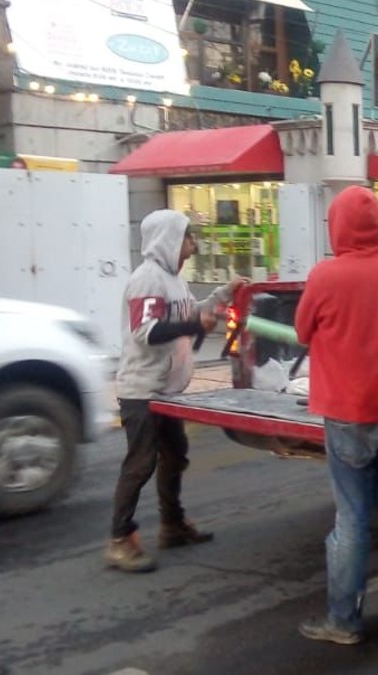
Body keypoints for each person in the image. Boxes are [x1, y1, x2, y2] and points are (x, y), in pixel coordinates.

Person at [294, 187, 378, 645]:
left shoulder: (325, 277)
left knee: (351, 518)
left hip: (348, 415)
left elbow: (301, 330)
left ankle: (344, 622)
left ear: (337, 226)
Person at [107, 211, 246, 573]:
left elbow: (190, 312)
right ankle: (120, 539)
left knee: (175, 456)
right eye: (188, 237)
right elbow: (146, 331)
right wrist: (191, 323)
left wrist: (222, 295)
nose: (193, 245)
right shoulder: (147, 280)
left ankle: (172, 525)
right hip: (143, 391)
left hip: (166, 390)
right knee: (140, 465)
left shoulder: (172, 280)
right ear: (169, 238)